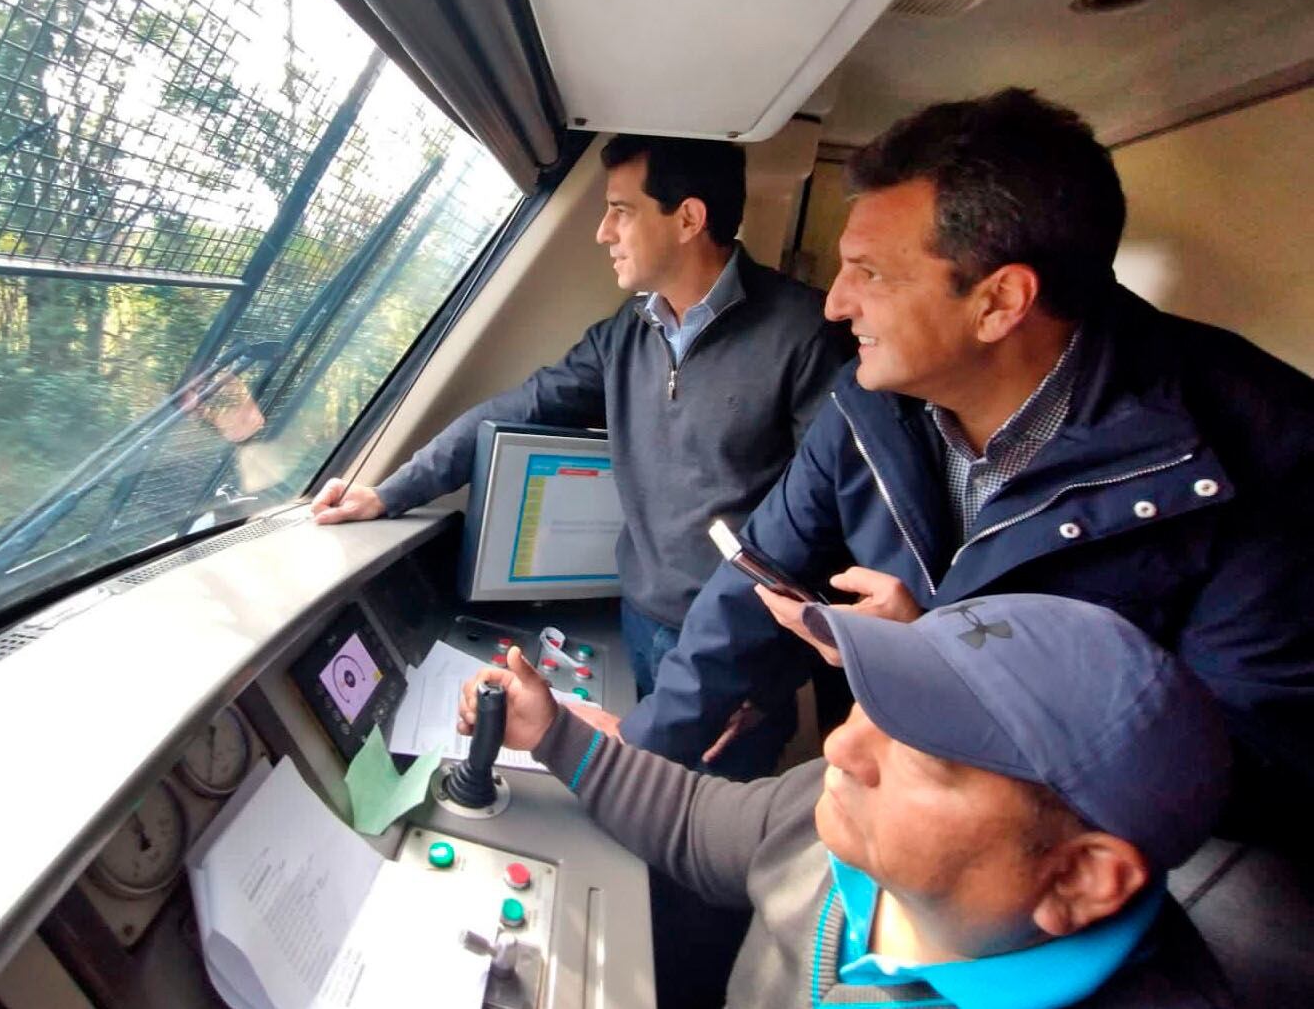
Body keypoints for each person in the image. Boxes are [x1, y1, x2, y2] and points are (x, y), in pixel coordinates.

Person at [590, 88, 1313, 829]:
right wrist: (643, 751)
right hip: (918, 808)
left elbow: (1244, 771)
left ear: (999, 302)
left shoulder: (1265, 454)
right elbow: (757, 576)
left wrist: (946, 670)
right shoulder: (868, 401)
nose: (835, 305)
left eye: (869, 273)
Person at [460, 595, 1237, 1009]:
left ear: (1079, 878)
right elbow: (701, 824)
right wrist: (555, 734)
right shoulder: (838, 822)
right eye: (872, 701)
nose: (840, 748)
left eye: (926, 751)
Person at [310, 134, 851, 716]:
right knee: (636, 785)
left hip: (737, 641)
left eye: (621, 211)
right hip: (640, 617)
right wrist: (391, 492)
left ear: (688, 218)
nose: (603, 232)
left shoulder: (805, 334)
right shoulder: (628, 333)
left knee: (699, 800)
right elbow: (518, 408)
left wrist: (766, 663)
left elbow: (829, 518)